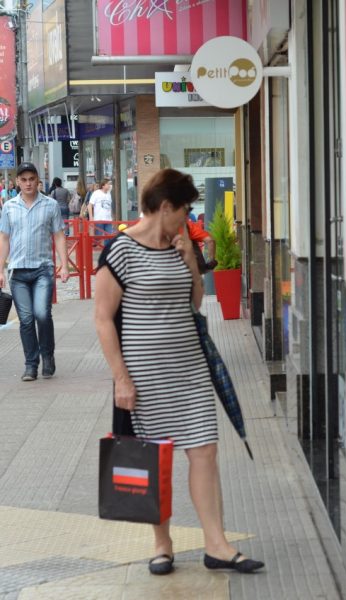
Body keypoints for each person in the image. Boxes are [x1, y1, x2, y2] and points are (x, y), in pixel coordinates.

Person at [94, 168, 264, 576]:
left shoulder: (177, 245)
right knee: (157, 458)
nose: (188, 218)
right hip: (145, 377)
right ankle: (162, 544)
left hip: (189, 370)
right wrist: (121, 378)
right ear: (165, 206)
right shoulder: (120, 250)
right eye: (185, 209)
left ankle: (217, 545)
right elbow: (102, 318)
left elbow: (194, 302)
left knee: (205, 450)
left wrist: (190, 260)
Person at [0, 162, 69, 381]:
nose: (28, 183)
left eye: (32, 179)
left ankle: (47, 356)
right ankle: (31, 364)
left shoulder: (50, 205)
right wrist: (0, 268)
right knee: (26, 319)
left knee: (41, 314)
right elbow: (4, 238)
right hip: (18, 272)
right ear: (17, 182)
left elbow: (59, 235)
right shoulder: (9, 206)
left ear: (38, 180)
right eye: (24, 179)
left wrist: (64, 265)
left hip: (42, 270)